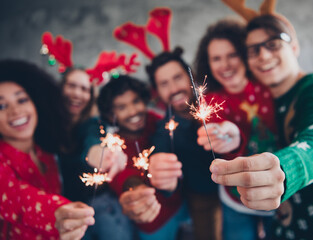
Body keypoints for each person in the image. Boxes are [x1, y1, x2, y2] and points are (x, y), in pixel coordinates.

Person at [210, 14, 313, 239]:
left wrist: (285, 169)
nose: (263, 55)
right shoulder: (264, 102)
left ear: (295, 46)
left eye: (273, 44)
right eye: (253, 50)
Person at [194, 18, 277, 240]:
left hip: (276, 192)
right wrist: (229, 139)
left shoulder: (269, 87)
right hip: (235, 198)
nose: (225, 65)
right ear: (208, 64)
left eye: (232, 55)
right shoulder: (210, 101)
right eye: (216, 58)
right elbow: (222, 138)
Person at [146, 47, 235, 240]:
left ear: (190, 76)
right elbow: (159, 157)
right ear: (157, 91)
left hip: (237, 189)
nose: (173, 88)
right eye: (164, 83)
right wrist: (162, 175)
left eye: (177, 77)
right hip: (201, 200)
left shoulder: (219, 102)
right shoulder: (164, 130)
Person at [0, 59, 94, 240]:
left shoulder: (47, 150)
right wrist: (57, 212)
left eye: (21, 100)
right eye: (1, 106)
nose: (15, 111)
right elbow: (14, 196)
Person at [86, 75, 186, 240]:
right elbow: (122, 176)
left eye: (136, 101)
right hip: (152, 224)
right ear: (111, 114)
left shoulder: (159, 122)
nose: (133, 111)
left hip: (181, 207)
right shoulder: (113, 145)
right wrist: (136, 189)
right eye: (122, 107)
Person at [57, 67, 96, 203]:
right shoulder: (45, 123)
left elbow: (93, 140)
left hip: (83, 205)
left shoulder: (93, 125)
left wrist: (96, 152)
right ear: (61, 87)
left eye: (84, 89)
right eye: (72, 86)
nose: (77, 94)